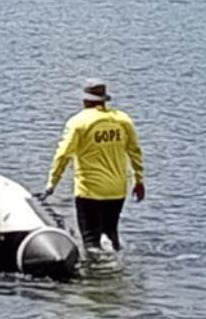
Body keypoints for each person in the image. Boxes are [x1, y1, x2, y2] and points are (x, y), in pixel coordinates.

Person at [40, 79, 144, 251]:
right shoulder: (122, 120)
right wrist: (139, 181)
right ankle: (116, 268)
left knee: (91, 241)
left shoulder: (78, 122)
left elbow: (62, 155)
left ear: (85, 100)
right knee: (111, 233)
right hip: (116, 189)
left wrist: (52, 183)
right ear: (104, 99)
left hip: (89, 191)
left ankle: (94, 274)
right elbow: (135, 152)